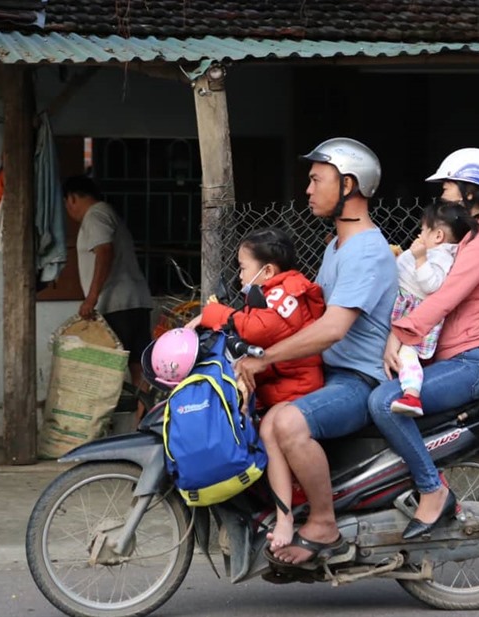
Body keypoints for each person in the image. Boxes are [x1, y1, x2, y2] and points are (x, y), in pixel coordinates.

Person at [234, 137, 397, 564]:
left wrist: (266, 358)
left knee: (286, 422)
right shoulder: (337, 244)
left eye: (315, 179)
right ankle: (285, 518)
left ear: (348, 184)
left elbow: (331, 328)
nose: (308, 190)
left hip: (357, 379)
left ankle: (324, 524)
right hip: (329, 372)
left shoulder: (366, 251)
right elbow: (305, 313)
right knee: (266, 421)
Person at [368, 147, 479, 540]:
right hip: (450, 359)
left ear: (472, 190)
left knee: (384, 403)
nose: (444, 193)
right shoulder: (471, 237)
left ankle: (432, 490)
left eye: (450, 185)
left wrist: (400, 334)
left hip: (468, 365)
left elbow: (444, 297)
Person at [185, 226, 326, 548]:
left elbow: (262, 329)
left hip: (296, 387)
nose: (239, 275)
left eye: (243, 267)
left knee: (265, 434)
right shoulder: (267, 292)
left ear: (268, 270)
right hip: (280, 382)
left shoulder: (287, 291)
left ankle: (287, 513)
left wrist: (214, 313)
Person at [63, 175, 153, 404]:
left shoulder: (95, 216)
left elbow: (104, 251)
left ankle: (102, 430)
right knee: (138, 368)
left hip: (115, 306)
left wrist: (91, 299)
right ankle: (142, 425)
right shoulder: (108, 213)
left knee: (102, 371)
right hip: (135, 302)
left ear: (72, 199)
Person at [388, 201, 477, 417]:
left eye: (422, 230)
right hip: (405, 306)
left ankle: (411, 395)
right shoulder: (433, 253)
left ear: (438, 236)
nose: (419, 235)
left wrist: (419, 258)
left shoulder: (442, 257)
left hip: (416, 316)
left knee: (407, 354)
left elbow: (431, 284)